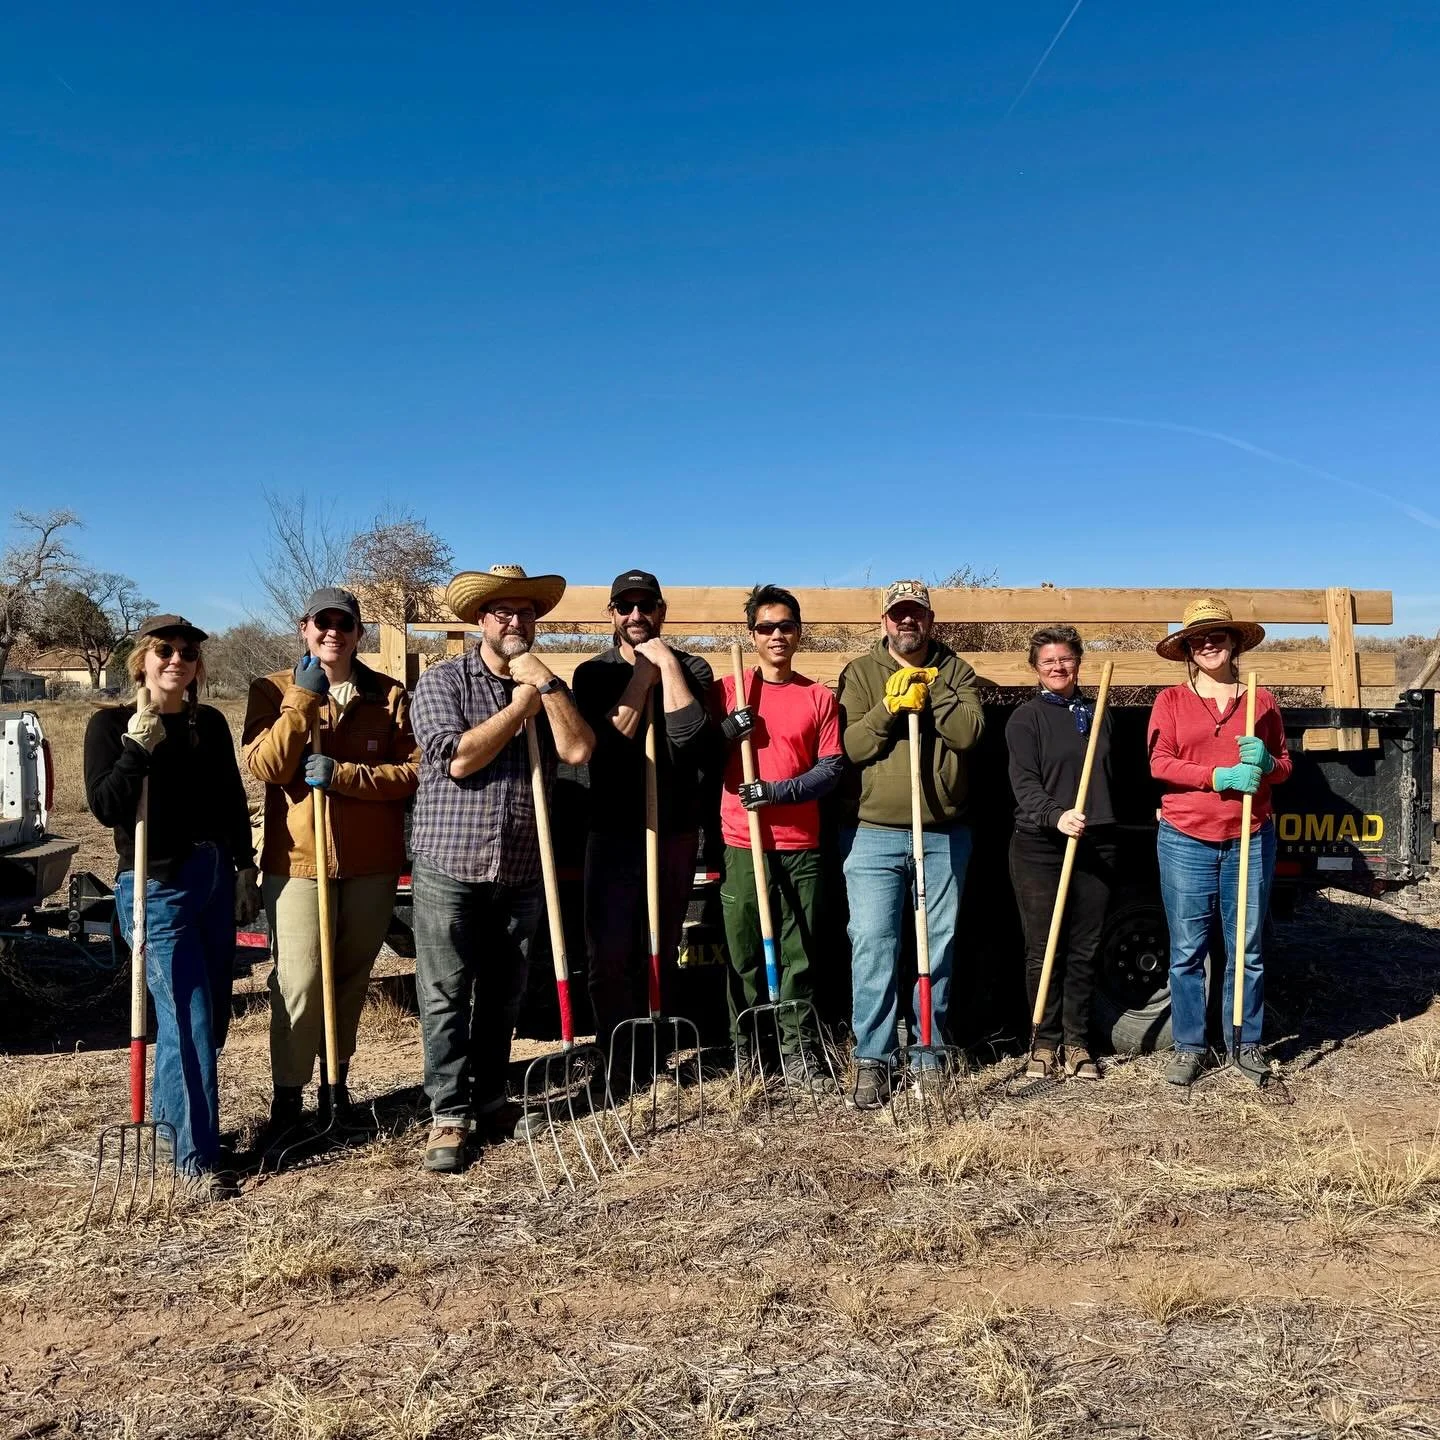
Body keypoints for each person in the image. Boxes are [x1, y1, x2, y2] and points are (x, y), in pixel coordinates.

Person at [409, 565, 594, 1173]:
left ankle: (490, 1100)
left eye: (525, 612)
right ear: (479, 620)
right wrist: (519, 706)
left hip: (520, 864)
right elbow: (459, 760)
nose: (516, 621)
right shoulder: (443, 682)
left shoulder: (544, 683)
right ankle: (448, 1112)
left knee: (504, 992)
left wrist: (547, 687)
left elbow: (578, 750)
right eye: (502, 612)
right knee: (446, 993)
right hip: (450, 863)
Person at [83, 615, 258, 1198]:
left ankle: (169, 1127)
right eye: (165, 650)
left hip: (213, 877)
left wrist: (244, 868)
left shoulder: (209, 723)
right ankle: (195, 1161)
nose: (176, 659)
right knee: (189, 1016)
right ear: (143, 660)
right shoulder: (110, 725)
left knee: (211, 1021)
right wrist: (136, 749)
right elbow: (106, 807)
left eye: (187, 652)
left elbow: (231, 799)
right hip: (154, 885)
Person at [242, 587, 419, 1138]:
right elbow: (268, 767)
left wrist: (344, 776)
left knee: (349, 979)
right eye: (323, 623)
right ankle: (288, 1102)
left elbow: (414, 772)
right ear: (305, 628)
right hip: (297, 862)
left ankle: (336, 1092)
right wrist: (302, 699)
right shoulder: (272, 689)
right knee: (299, 981)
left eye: (344, 623)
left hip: (371, 864)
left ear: (359, 632)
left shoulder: (388, 695)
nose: (333, 633)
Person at [836, 579, 984, 1108]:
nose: (907, 621)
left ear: (929, 620)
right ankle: (873, 1058)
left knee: (935, 945)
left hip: (942, 832)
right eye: (898, 613)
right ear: (884, 621)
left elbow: (968, 733)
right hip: (872, 833)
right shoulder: (859, 672)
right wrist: (889, 707)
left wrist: (932, 689)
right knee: (873, 942)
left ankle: (929, 1051)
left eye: (916, 613)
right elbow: (852, 746)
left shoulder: (956, 670)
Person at [572, 569, 714, 1078]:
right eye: (625, 606)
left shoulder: (693, 667)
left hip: (673, 829)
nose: (636, 615)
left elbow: (691, 739)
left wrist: (666, 666)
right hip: (613, 830)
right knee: (609, 951)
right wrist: (641, 678)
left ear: (661, 611)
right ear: (611, 614)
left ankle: (653, 1052)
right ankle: (617, 1058)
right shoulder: (592, 674)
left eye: (646, 605)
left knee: (660, 944)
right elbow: (607, 745)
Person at [1148, 596, 1292, 1086]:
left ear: (1234, 643)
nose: (1208, 645)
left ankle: (1244, 1044)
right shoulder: (1170, 701)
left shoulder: (1261, 700)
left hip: (1249, 836)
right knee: (1187, 950)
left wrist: (1267, 765)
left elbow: (1284, 765)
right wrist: (1218, 776)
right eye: (1198, 639)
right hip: (1185, 837)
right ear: (1188, 649)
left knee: (1246, 948)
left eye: (1217, 636)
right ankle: (1189, 1046)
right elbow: (1160, 763)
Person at [713, 584, 844, 1078]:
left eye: (785, 626)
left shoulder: (818, 696)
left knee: (800, 952)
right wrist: (727, 731)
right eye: (766, 627)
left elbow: (831, 768)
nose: (776, 635)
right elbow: (697, 752)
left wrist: (777, 792)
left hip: (800, 843)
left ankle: (798, 1052)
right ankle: (746, 1050)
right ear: (752, 635)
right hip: (742, 841)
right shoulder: (729, 691)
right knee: (743, 951)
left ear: (798, 633)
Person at [1005, 625, 1117, 1081]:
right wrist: (1056, 816)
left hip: (1096, 840)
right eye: (1048, 660)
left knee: (1085, 947)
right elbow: (1024, 783)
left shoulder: (1099, 713)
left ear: (1078, 662)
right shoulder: (1025, 719)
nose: (1058, 667)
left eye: (1065, 659)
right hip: (1040, 844)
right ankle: (1044, 1042)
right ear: (1035, 667)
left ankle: (1077, 1042)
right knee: (1044, 947)